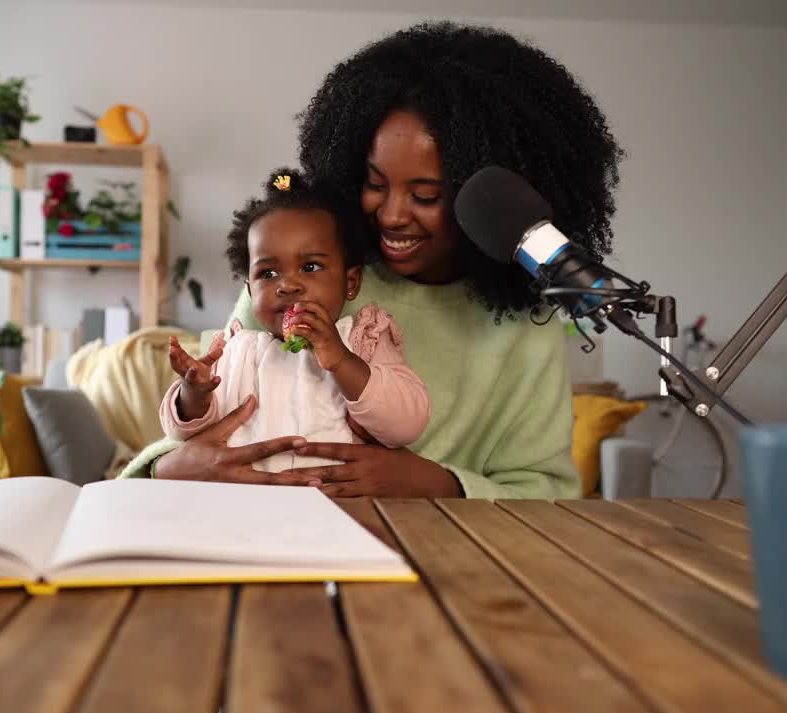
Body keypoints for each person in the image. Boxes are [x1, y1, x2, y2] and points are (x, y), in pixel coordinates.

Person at [123, 21, 624, 498]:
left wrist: (434, 483)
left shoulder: (522, 326)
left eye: (426, 195)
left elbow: (545, 493)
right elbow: (200, 437)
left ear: (487, 198)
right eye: (374, 184)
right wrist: (170, 467)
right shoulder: (305, 276)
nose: (391, 214)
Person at [159, 168, 431, 472]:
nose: (287, 285)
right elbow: (183, 434)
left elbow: (407, 426)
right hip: (246, 504)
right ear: (250, 291)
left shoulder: (363, 339)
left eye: (310, 266)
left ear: (350, 282)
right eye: (268, 273)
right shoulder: (237, 351)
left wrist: (342, 360)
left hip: (336, 506)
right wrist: (193, 395)